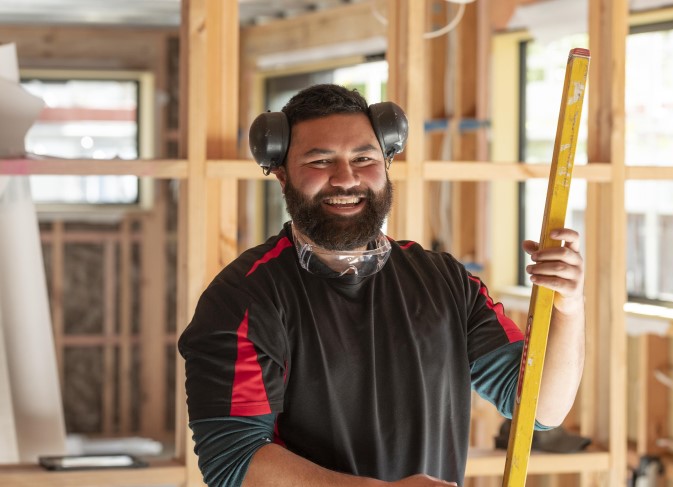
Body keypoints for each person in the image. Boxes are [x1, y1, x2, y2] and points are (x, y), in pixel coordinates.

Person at [178, 84, 585, 487]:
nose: (345, 178)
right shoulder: (242, 299)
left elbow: (538, 408)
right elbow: (232, 461)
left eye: (363, 157)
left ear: (386, 162)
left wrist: (568, 305)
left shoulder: (444, 281)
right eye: (320, 161)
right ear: (281, 174)